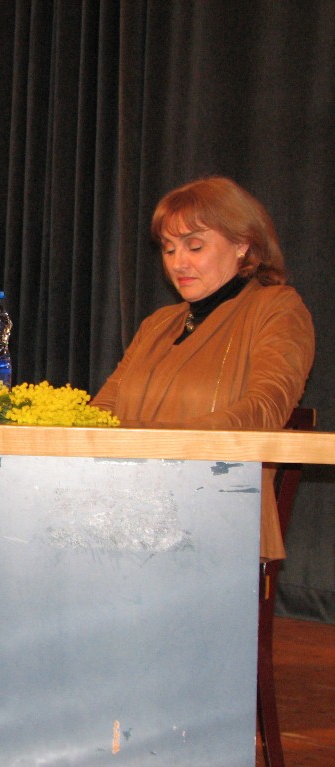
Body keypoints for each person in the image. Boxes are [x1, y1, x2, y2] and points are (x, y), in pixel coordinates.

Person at [91, 176, 315, 559]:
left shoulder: (277, 309)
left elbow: (266, 407)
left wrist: (172, 444)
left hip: (219, 522)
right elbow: (102, 412)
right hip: (126, 510)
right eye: (168, 249)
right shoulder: (158, 324)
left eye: (194, 246)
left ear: (242, 244)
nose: (178, 263)